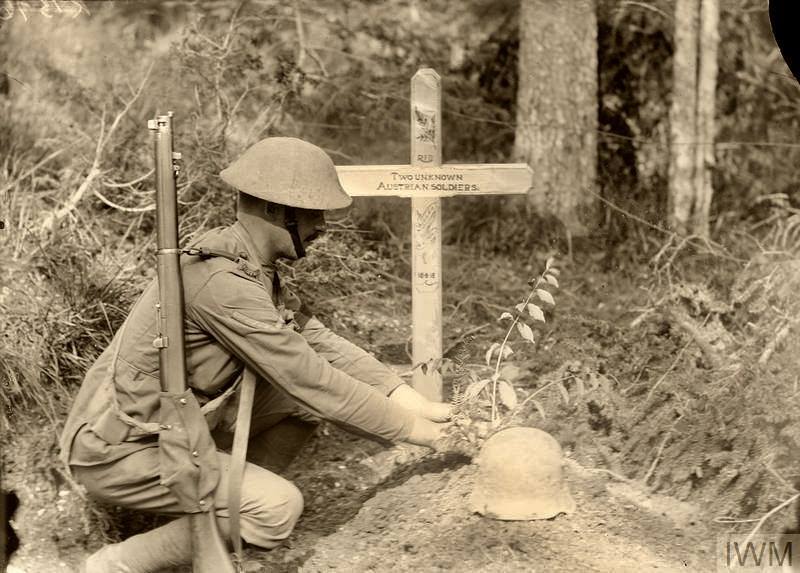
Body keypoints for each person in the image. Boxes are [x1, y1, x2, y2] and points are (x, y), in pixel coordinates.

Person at [60, 137, 451, 572]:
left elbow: (319, 344)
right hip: (118, 448)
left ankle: (230, 506)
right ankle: (116, 564)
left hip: (170, 426)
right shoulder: (223, 284)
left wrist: (418, 405)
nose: (322, 225)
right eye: (313, 212)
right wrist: (425, 436)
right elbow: (312, 378)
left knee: (298, 408)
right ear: (273, 211)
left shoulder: (248, 268)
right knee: (279, 508)